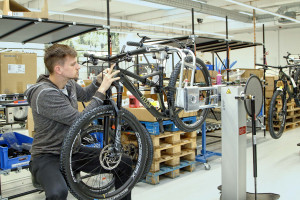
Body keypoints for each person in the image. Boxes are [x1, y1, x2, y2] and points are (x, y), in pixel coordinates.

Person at [25, 44, 132, 200]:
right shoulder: (45, 94)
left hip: (73, 152)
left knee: (124, 163)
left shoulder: (68, 84)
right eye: (73, 64)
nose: (78, 67)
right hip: (48, 155)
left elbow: (86, 95)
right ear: (58, 69)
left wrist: (97, 81)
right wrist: (102, 90)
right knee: (57, 193)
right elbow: (80, 121)